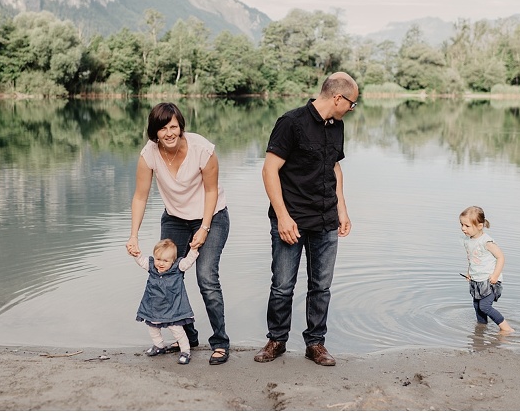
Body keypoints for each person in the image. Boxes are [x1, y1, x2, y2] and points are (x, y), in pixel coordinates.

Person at [254, 72, 357, 367]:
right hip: (292, 220)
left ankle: (315, 344)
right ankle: (276, 340)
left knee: (321, 287)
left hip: (325, 219)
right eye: (351, 103)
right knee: (282, 285)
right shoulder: (291, 122)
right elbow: (269, 170)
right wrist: (283, 217)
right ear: (337, 97)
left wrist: (342, 209)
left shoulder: (337, 126)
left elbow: (334, 167)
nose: (351, 109)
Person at [126, 102, 231, 365]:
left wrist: (204, 228)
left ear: (181, 126)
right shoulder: (149, 154)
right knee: (168, 275)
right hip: (174, 218)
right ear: (155, 132)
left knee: (206, 277)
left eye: (173, 127)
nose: (169, 133)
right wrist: (133, 235)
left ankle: (220, 342)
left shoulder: (202, 149)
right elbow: (140, 196)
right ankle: (188, 336)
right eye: (163, 129)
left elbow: (211, 191)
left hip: (211, 216)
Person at [134, 238, 199, 365]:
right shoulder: (151, 267)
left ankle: (185, 351)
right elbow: (141, 261)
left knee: (177, 330)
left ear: (172, 261)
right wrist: (136, 254)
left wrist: (193, 249)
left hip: (173, 307)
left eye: (165, 261)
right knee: (153, 327)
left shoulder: (178, 267)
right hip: (154, 307)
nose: (161, 263)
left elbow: (189, 261)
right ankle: (159, 346)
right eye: (158, 259)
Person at [459, 206, 514, 333]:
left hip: (489, 281)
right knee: (477, 306)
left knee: (484, 306)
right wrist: (469, 272)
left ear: (479, 226)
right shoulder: (467, 240)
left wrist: (495, 276)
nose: (463, 228)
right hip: (476, 279)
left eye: (467, 226)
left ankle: (507, 329)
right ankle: (481, 328)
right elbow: (472, 258)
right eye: (461, 225)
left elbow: (500, 257)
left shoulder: (486, 242)